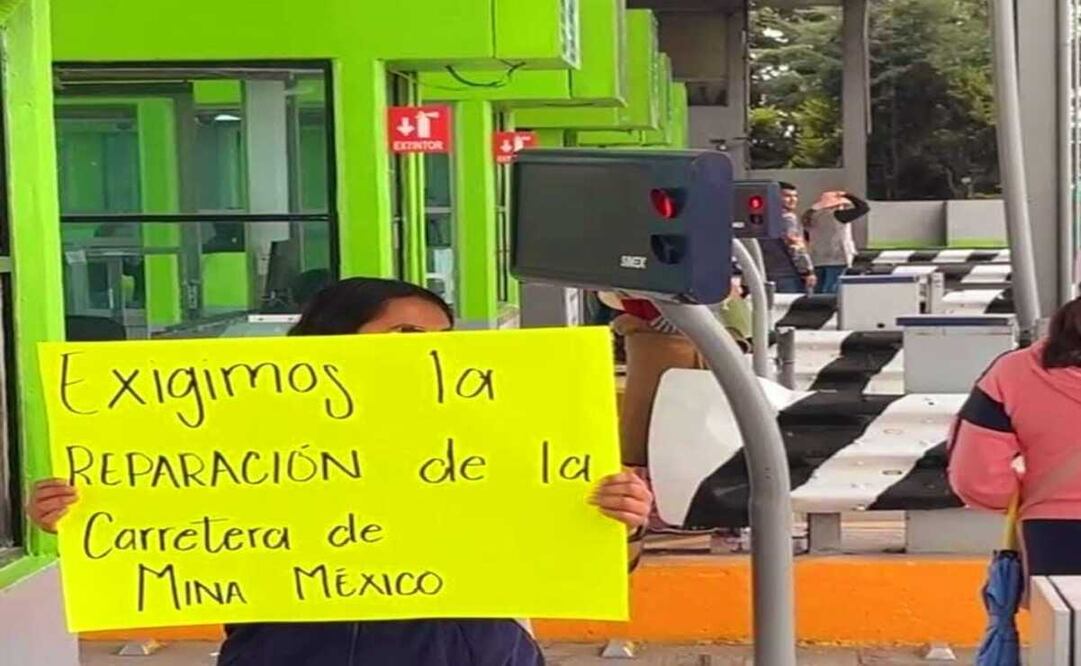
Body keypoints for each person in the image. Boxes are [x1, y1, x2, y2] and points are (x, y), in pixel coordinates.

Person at [27, 277, 653, 666]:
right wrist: (83, 517)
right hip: (292, 651)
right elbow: (174, 521)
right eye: (405, 331)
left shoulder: (504, 429)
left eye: (441, 334)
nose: (429, 348)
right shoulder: (241, 433)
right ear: (332, 339)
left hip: (464, 651)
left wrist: (619, 520)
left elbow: (568, 553)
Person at [948, 296, 1081, 576]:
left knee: (1065, 619)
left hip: (1055, 533)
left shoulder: (1014, 373)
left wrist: (1022, 491)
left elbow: (975, 477)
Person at [803, 190, 870, 294]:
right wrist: (848, 195)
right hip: (837, 258)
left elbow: (807, 237)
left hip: (817, 258)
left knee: (819, 290)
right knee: (832, 290)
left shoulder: (811, 217)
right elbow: (863, 208)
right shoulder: (838, 216)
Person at [759, 182, 815, 293]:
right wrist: (807, 271)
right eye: (787, 196)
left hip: (765, 272)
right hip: (788, 274)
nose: (793, 199)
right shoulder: (787, 218)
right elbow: (794, 246)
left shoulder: (761, 218)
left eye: (795, 196)